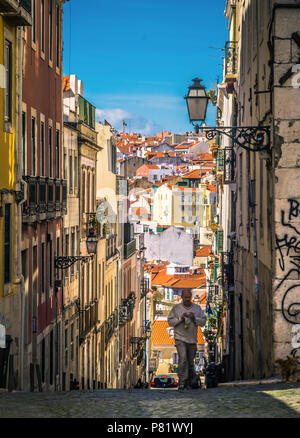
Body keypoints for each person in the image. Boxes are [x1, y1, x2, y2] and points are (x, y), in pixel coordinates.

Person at [168, 288, 206, 390]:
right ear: (181, 297)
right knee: (183, 358)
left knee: (190, 361)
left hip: (192, 339)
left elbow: (203, 321)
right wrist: (180, 318)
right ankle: (182, 381)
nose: (187, 299)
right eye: (185, 297)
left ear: (191, 297)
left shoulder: (197, 309)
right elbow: (170, 322)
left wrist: (195, 318)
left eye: (189, 297)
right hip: (180, 337)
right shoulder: (176, 308)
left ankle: (189, 382)